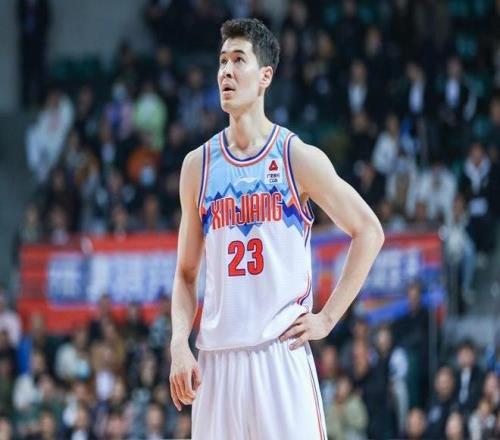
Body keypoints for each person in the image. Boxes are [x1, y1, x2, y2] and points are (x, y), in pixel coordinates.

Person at [169, 18, 384, 440]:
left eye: (238, 60)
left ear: (265, 76)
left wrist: (327, 319)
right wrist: (179, 342)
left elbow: (369, 231)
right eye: (222, 61)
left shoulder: (295, 157)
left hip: (279, 355)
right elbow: (186, 274)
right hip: (216, 360)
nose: (226, 71)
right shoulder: (198, 166)